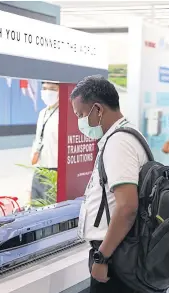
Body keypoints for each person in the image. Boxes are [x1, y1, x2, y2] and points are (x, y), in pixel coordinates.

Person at [70, 75, 147, 293]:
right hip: (123, 250)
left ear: (98, 109)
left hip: (117, 257)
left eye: (81, 114)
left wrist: (102, 256)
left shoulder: (118, 142)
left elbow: (127, 207)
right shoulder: (128, 134)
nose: (80, 122)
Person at [30, 81, 59, 200]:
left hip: (55, 170)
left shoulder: (64, 115)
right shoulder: (43, 113)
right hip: (40, 167)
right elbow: (38, 138)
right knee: (35, 204)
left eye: (52, 89)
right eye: (44, 88)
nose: (48, 92)